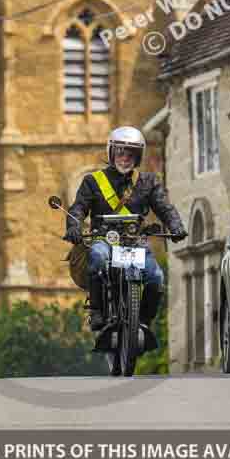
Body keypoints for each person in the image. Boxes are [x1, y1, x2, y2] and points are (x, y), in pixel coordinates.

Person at [65, 126, 188, 331]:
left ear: (138, 156)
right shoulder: (92, 181)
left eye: (130, 153)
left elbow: (164, 207)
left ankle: (143, 323)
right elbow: (78, 208)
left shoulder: (148, 182)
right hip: (104, 239)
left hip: (135, 243)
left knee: (156, 277)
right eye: (120, 152)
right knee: (97, 256)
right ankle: (97, 310)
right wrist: (74, 226)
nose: (125, 157)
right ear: (112, 153)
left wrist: (176, 225)